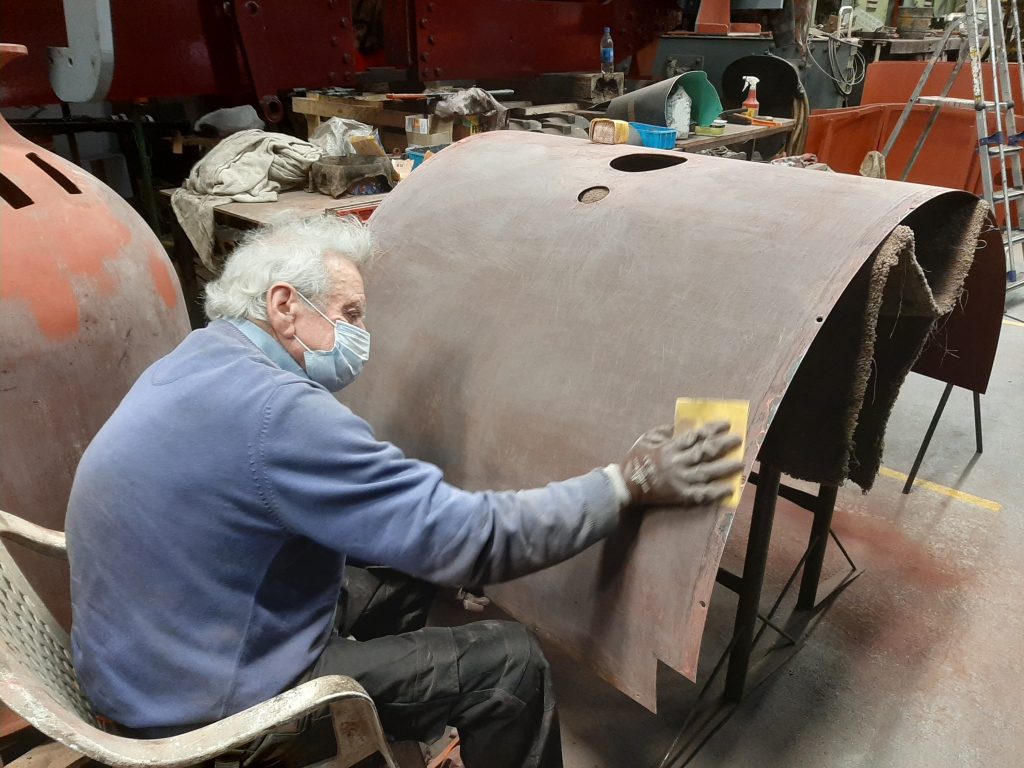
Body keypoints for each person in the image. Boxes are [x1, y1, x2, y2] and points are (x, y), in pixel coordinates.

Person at [65, 216, 743, 768]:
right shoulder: (280, 415)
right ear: (283, 306)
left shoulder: (201, 357)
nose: (363, 337)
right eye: (349, 313)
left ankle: (403, 726)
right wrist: (626, 483)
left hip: (150, 652)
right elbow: (477, 540)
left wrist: (446, 554)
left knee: (408, 577)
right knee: (510, 664)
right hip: (201, 703)